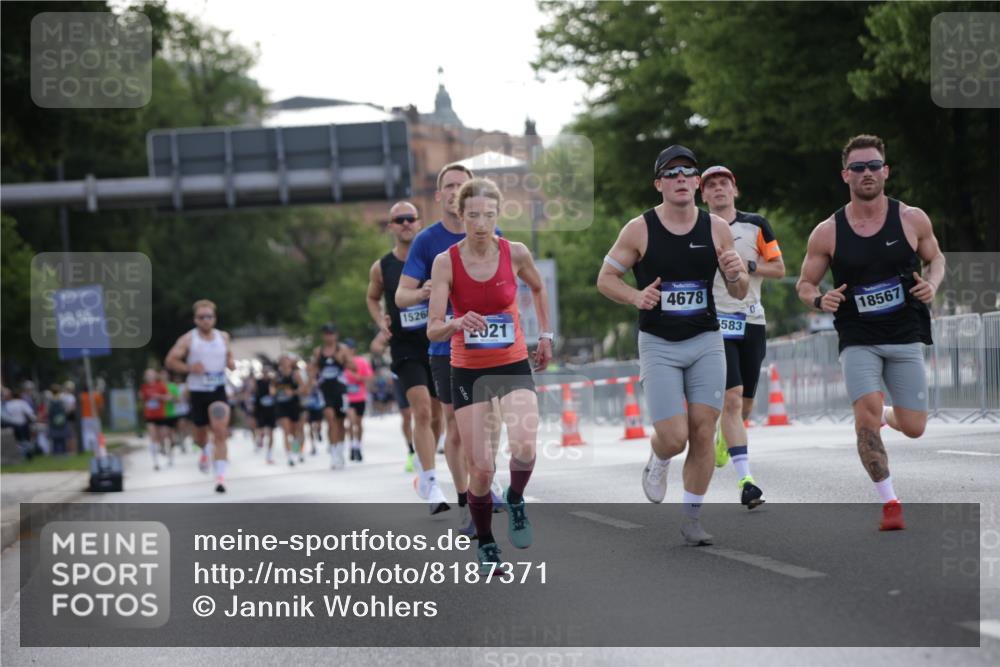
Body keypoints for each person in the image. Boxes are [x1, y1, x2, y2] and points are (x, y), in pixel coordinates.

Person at [597, 145, 749, 546]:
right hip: (659, 343)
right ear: (659, 184)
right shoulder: (639, 229)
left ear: (697, 183)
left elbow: (739, 289)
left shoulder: (717, 228)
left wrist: (737, 275)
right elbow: (605, 279)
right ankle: (659, 457)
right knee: (674, 436)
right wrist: (635, 296)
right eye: (671, 173)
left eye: (687, 173)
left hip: (705, 339)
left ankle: (692, 518)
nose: (680, 179)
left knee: (703, 430)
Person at [797, 134, 944, 531]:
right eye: (858, 167)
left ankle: (888, 416)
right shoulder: (827, 232)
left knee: (915, 427)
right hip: (858, 337)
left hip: (905, 332)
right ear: (845, 175)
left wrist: (932, 284)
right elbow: (805, 284)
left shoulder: (911, 219)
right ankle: (889, 501)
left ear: (886, 171)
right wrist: (819, 300)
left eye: (874, 166)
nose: (867, 173)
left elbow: (935, 258)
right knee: (864, 416)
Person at [427, 177, 553, 573]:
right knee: (480, 468)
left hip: (512, 363)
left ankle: (515, 498)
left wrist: (545, 334)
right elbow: (433, 328)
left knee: (525, 447)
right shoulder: (446, 261)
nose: (482, 223)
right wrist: (457, 322)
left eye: (489, 215)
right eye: (473, 215)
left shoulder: (515, 253)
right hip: (468, 372)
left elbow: (538, 288)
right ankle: (485, 542)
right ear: (461, 215)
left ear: (498, 215)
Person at [396, 166, 508, 520]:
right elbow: (400, 296)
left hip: (487, 341)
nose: (456, 190)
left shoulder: (493, 233)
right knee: (456, 427)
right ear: (440, 195)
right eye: (449, 186)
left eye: (462, 185)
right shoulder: (427, 241)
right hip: (446, 346)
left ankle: (486, 480)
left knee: (491, 418)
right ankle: (467, 499)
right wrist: (423, 292)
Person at [700, 165, 785, 509]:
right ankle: (746, 481)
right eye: (711, 185)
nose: (718, 189)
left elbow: (778, 268)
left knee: (745, 405)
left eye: (724, 183)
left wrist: (747, 265)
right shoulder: (696, 227)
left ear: (734, 190)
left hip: (751, 320)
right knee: (732, 400)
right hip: (715, 322)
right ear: (703, 194)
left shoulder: (756, 225)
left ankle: (727, 438)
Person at [366, 201, 445, 489]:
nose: (406, 223)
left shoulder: (436, 260)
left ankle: (426, 463)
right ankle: (430, 477)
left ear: (419, 223)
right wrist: (381, 321)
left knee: (437, 414)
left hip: (436, 342)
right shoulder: (382, 266)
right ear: (391, 227)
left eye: (410, 218)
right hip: (405, 347)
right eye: (399, 220)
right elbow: (372, 297)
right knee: (420, 410)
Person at [165, 299, 237, 493]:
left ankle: (220, 478)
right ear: (196, 319)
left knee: (220, 431)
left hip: (218, 390)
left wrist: (231, 362)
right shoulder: (188, 339)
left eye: (209, 317)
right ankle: (204, 450)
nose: (206, 320)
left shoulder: (223, 337)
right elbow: (170, 361)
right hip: (197, 392)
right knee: (199, 437)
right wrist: (189, 367)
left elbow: (229, 355)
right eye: (201, 317)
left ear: (215, 318)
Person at [309, 323, 356, 470]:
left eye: (332, 333)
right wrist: (312, 379)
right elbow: (313, 368)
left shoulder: (343, 349)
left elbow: (353, 367)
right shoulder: (318, 351)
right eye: (327, 334)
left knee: (340, 422)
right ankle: (334, 453)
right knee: (330, 419)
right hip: (325, 390)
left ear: (336, 335)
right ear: (323, 336)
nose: (329, 336)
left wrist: (343, 360)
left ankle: (340, 450)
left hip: (340, 389)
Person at [342, 339, 373, 462]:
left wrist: (358, 377)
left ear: (353, 349)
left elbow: (369, 377)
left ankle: (358, 446)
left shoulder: (361, 361)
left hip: (360, 397)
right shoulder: (341, 363)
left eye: (350, 348)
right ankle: (352, 446)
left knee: (358, 423)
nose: (348, 351)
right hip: (347, 398)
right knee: (351, 421)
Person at [275, 353, 308, 466]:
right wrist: (273, 391)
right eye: (282, 361)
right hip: (282, 406)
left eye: (286, 360)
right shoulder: (277, 376)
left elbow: (304, 389)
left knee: (296, 431)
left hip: (294, 405)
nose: (284, 363)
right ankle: (289, 456)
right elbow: (272, 388)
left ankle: (298, 451)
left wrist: (293, 392)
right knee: (286, 430)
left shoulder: (295, 375)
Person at [139, 368, 171, 470]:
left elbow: (169, 397)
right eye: (148, 375)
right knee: (152, 437)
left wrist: (159, 397)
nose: (150, 376)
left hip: (161, 415)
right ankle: (155, 462)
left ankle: (162, 447)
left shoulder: (160, 385)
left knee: (163, 436)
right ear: (145, 377)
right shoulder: (144, 387)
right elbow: (142, 398)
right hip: (150, 416)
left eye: (151, 374)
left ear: (155, 376)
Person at [5, 387, 37, 460]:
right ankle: (27, 454)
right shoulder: (22, 403)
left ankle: (20, 455)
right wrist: (34, 420)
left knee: (17, 441)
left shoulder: (8, 404)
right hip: (22, 424)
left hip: (12, 424)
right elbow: (30, 413)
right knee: (25, 440)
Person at [255, 367, 278, 464]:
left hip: (271, 411)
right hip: (261, 410)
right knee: (262, 430)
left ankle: (269, 454)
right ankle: (260, 439)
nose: (266, 373)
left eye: (267, 372)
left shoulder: (272, 382)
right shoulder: (257, 382)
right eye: (264, 372)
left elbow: (273, 393)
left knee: (271, 432)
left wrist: (272, 384)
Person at [79, 387, 104, 453]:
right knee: (97, 433)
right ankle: (99, 447)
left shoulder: (81, 396)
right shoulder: (96, 395)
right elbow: (100, 407)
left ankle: (87, 447)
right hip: (95, 417)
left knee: (86, 433)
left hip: (85, 417)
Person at [47, 385, 71, 456]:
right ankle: (63, 451)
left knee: (55, 438)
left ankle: (55, 452)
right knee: (62, 437)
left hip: (53, 421)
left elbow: (48, 411)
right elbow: (66, 409)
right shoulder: (62, 399)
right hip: (62, 420)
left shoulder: (50, 400)